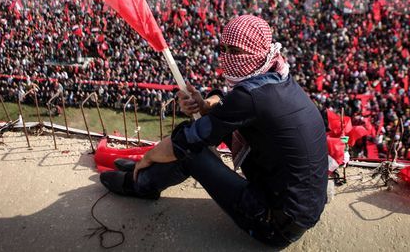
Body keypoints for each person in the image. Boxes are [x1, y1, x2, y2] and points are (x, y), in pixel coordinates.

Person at [100, 15, 328, 247]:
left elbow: (187, 140)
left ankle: (140, 183)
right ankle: (152, 171)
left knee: (190, 151)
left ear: (257, 51)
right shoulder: (278, 77)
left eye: (235, 51)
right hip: (298, 209)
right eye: (224, 48)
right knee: (206, 132)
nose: (227, 57)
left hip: (273, 224)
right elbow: (229, 107)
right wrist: (204, 105)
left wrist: (146, 158)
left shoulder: (250, 97)